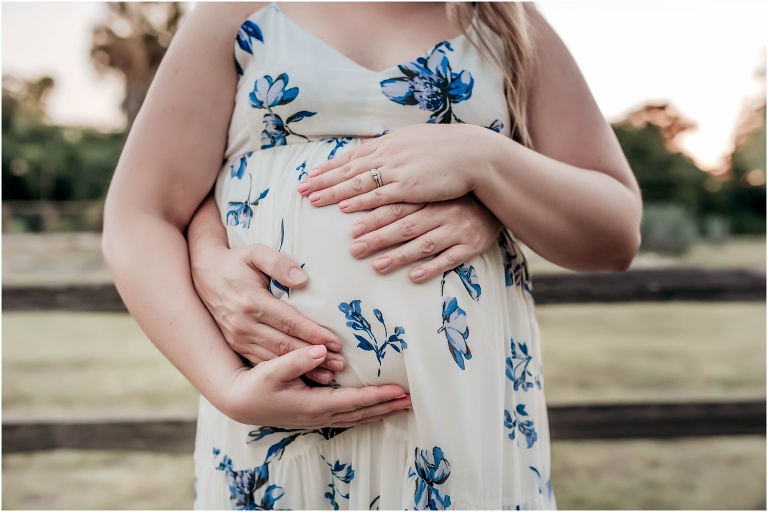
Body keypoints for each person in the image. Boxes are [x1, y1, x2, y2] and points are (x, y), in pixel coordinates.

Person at [102, 1, 642, 509]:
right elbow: (141, 215)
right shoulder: (240, 12)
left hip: (458, 422)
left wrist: (485, 160)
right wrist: (227, 386)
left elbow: (616, 232)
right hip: (275, 424)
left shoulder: (505, 21)